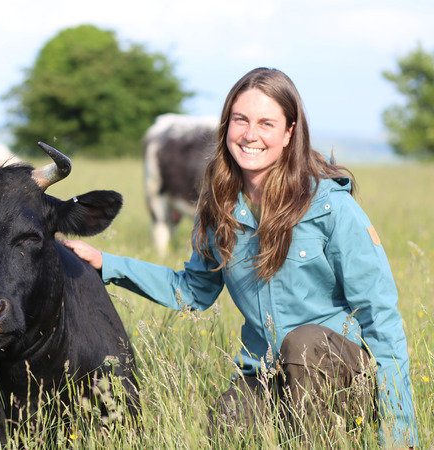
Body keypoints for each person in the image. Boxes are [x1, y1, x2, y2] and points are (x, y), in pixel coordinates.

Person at [64, 67, 417, 446]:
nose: (250, 134)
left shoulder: (331, 208)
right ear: (226, 126)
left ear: (289, 133)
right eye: (241, 120)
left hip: (340, 374)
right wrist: (107, 264)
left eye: (266, 123)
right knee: (227, 424)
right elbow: (193, 291)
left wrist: (400, 435)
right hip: (269, 373)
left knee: (303, 343)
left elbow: (381, 320)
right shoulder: (218, 208)